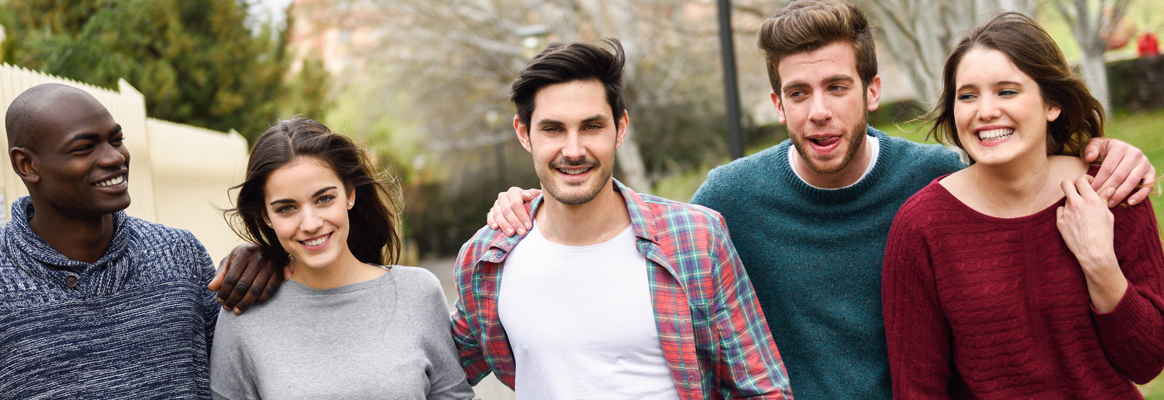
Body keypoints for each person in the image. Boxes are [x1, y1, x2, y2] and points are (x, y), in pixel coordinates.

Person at [485, 1, 1157, 398]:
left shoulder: (934, 182)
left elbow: (1015, 174)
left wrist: (1104, 151)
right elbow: (639, 255)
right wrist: (534, 208)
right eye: (799, 95)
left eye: (837, 87)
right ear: (776, 104)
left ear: (871, 90)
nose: (819, 113)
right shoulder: (729, 200)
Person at [454, 39, 792, 399]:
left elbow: (763, 390)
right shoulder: (488, 259)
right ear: (524, 133)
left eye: (592, 127)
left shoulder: (695, 239)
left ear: (621, 127)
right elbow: (432, 371)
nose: (573, 150)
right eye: (553, 129)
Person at [883, 12, 1164, 398]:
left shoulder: (1113, 189)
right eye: (967, 96)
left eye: (1007, 91)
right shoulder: (922, 226)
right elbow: (919, 388)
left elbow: (1148, 361)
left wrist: (1100, 264)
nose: (985, 111)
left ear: (1052, 104)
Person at [0, 83, 219, 397]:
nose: (115, 158)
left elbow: (240, 372)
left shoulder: (181, 254)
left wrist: (271, 257)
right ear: (27, 165)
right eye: (84, 148)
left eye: (116, 140)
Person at [209, 118, 472, 399]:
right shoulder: (242, 313)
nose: (310, 223)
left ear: (349, 194)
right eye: (287, 208)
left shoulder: (418, 292)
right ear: (266, 216)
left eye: (323, 199)